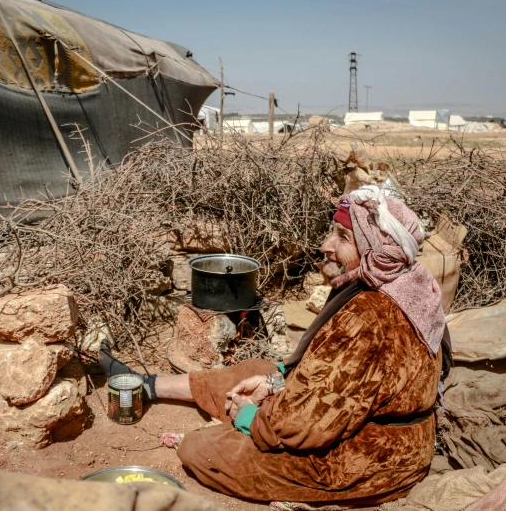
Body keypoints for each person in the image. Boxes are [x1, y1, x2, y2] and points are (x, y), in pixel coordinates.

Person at [100, 185, 448, 506]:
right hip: (355, 420)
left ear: (375, 248)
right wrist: (274, 384)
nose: (326, 245)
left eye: (342, 237)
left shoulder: (368, 319)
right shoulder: (407, 282)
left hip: (368, 461)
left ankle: (228, 423)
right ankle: (148, 386)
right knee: (258, 371)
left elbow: (307, 425)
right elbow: (345, 384)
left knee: (199, 448)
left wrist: (250, 418)